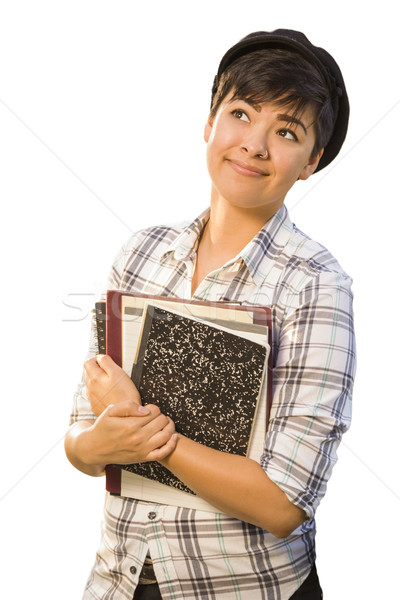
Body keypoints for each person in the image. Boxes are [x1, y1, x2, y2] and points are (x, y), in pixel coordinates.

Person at [65, 29, 356, 599]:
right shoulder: (142, 253)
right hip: (118, 581)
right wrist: (95, 442)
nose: (254, 144)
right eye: (241, 113)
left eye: (287, 131)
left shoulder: (316, 285)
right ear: (209, 123)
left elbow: (283, 505)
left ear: (311, 162)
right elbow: (82, 439)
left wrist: (148, 434)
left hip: (243, 585)